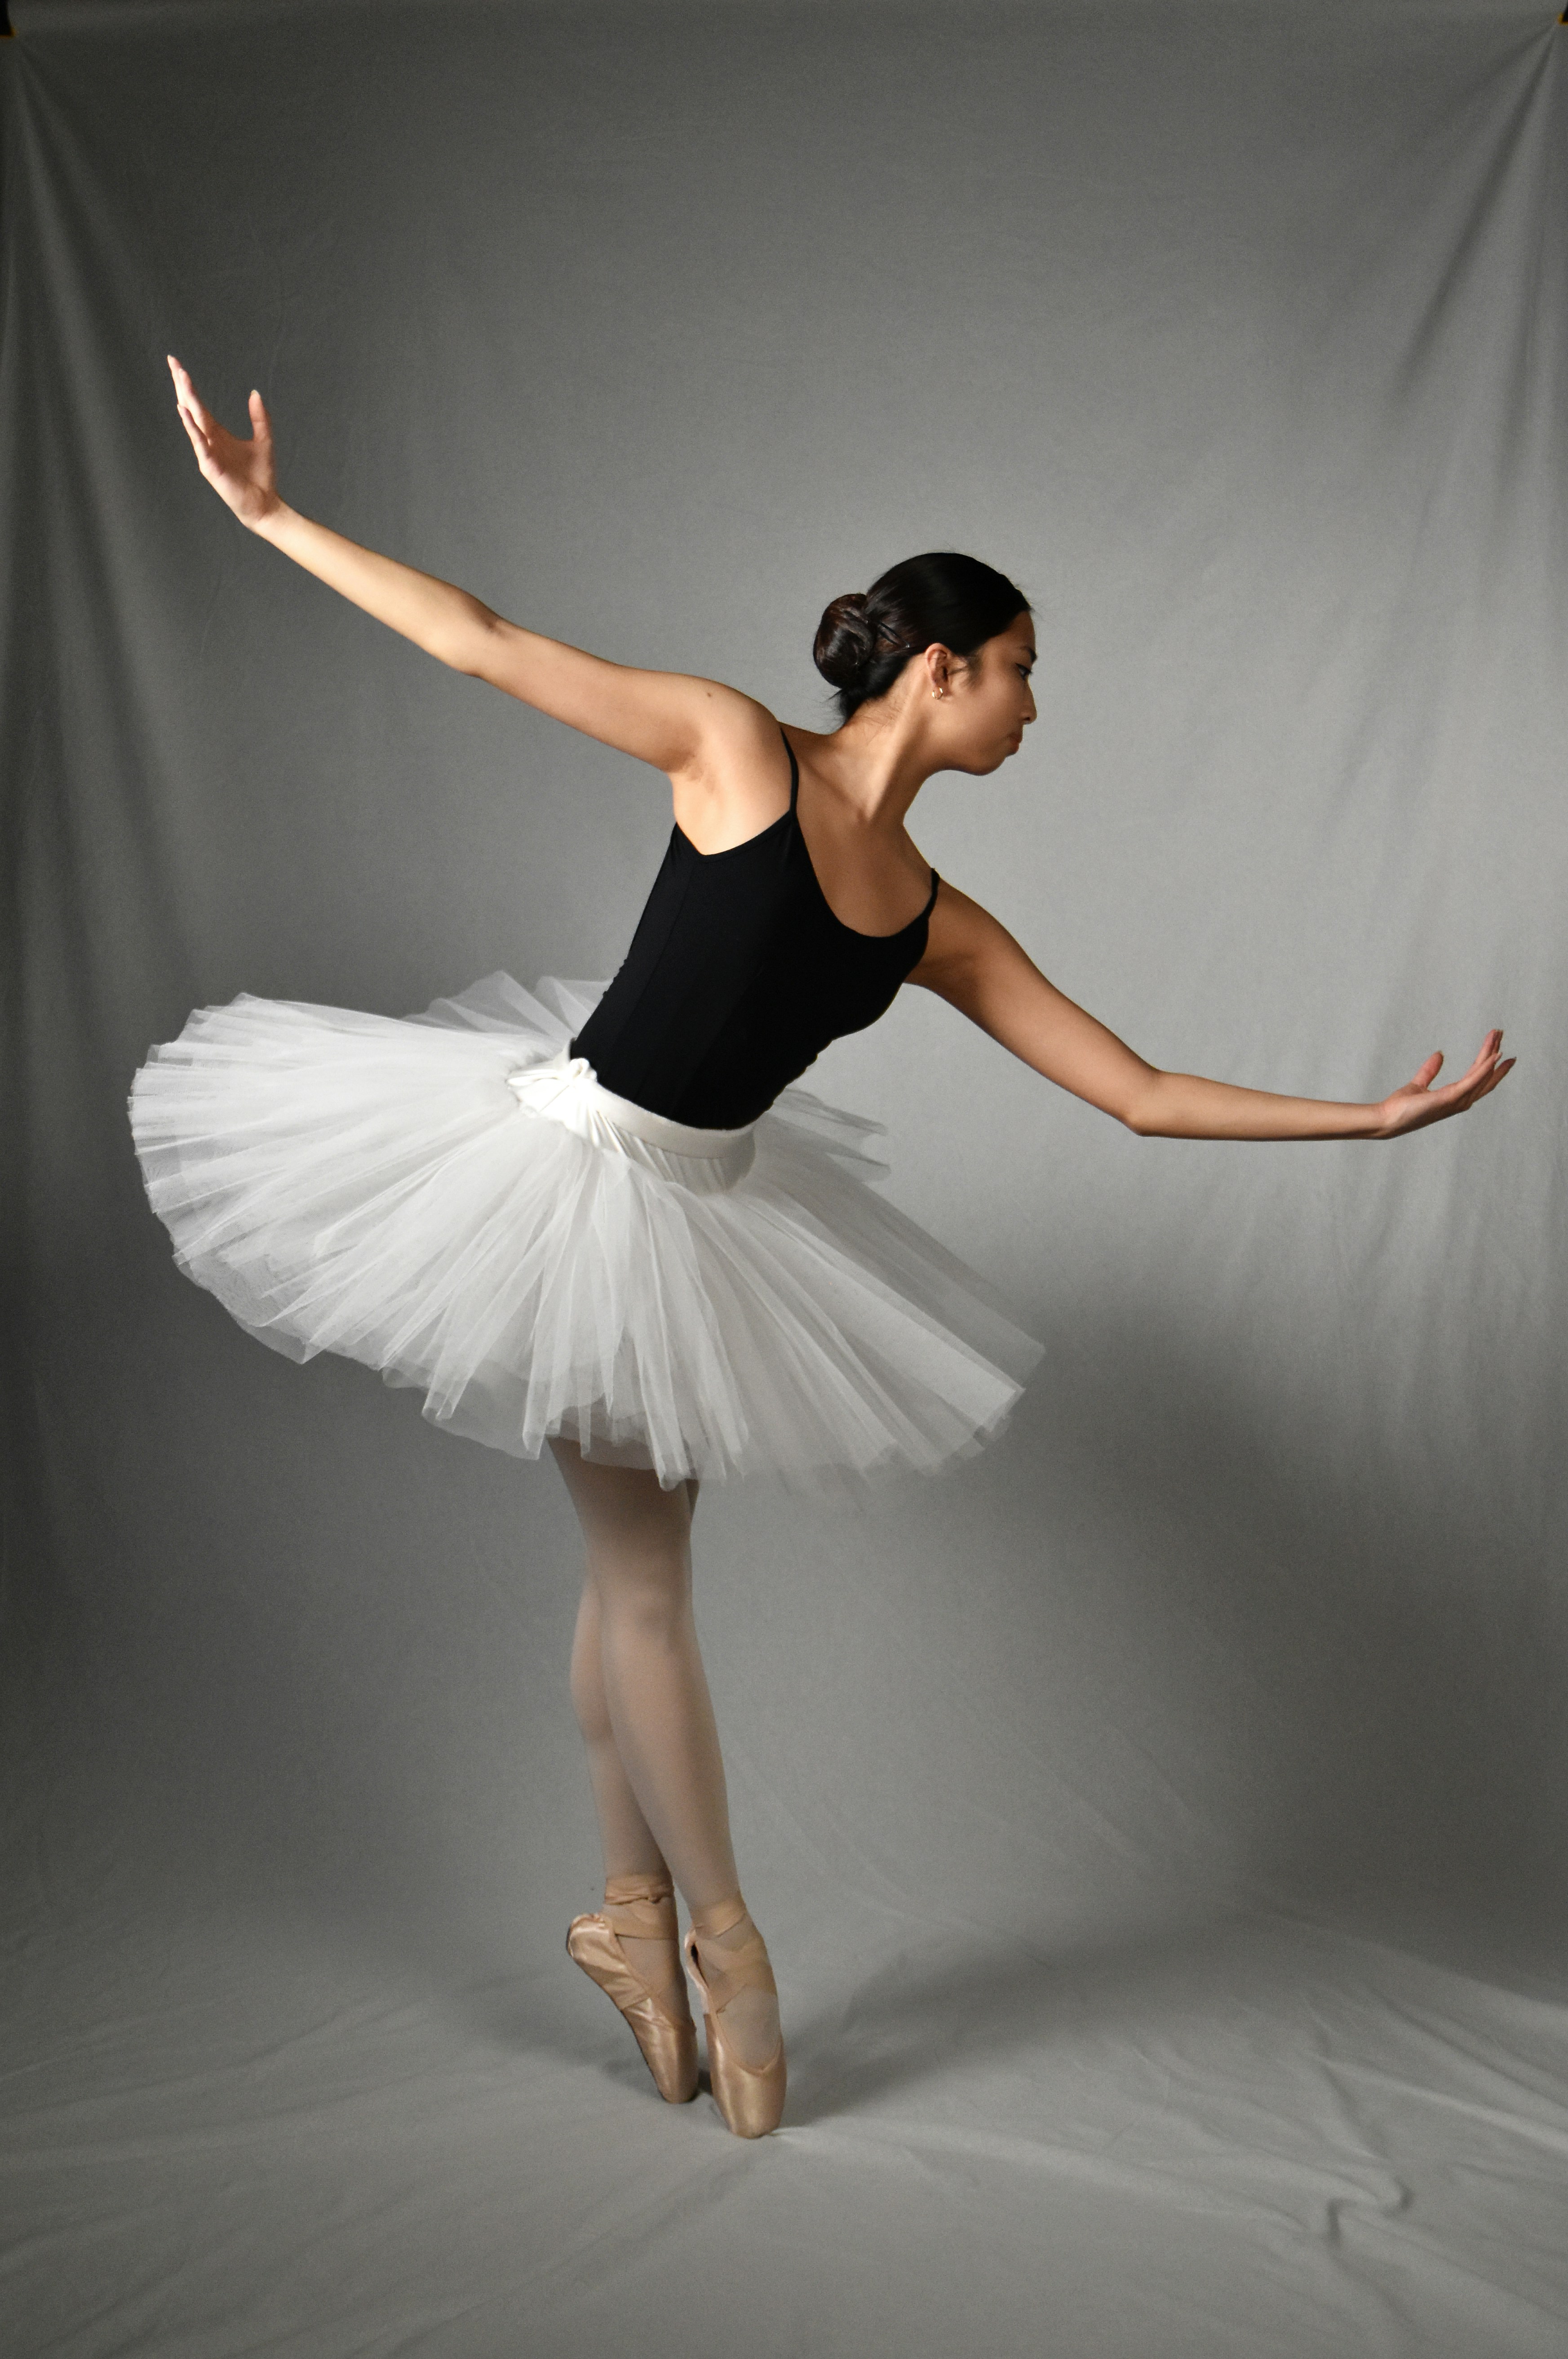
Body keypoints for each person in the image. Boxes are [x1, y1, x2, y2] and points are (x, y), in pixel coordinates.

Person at [132, 356, 1513, 2140]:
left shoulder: (939, 921)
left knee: (631, 1579)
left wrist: (1373, 1120)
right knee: (643, 1586)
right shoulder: (732, 746)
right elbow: (480, 640)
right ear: (940, 668)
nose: (1035, 705)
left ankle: (631, 1919)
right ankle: (727, 1940)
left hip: (711, 1218)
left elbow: (1145, 1092)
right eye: (1022, 668)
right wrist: (270, 515)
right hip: (571, 1182)